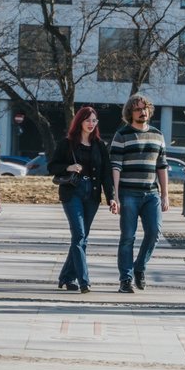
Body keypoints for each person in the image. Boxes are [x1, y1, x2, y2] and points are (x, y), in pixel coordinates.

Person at [48, 106, 117, 293]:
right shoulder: (67, 143)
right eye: (88, 120)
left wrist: (112, 198)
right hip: (73, 192)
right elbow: (52, 166)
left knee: (82, 238)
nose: (91, 124)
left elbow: (106, 175)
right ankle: (84, 281)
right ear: (80, 121)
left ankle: (66, 277)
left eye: (94, 121)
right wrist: (69, 167)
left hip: (92, 194)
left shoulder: (100, 145)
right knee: (79, 235)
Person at [110, 94, 169, 293]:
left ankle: (140, 267)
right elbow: (115, 167)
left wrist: (165, 195)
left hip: (152, 194)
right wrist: (115, 196)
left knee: (154, 232)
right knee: (128, 236)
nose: (142, 112)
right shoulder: (122, 135)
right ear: (130, 112)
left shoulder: (158, 135)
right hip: (128, 193)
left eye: (145, 108)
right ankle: (125, 279)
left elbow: (162, 166)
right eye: (137, 109)